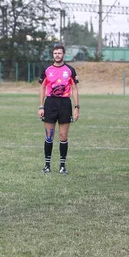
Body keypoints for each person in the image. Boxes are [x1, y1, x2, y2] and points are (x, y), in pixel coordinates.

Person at [38, 44, 79, 175]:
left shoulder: (70, 70)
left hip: (65, 104)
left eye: (59, 53)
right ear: (52, 55)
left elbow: (74, 89)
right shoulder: (47, 70)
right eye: (55, 53)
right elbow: (43, 88)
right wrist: (41, 106)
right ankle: (47, 165)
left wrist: (77, 107)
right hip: (50, 103)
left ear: (64, 54)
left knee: (63, 136)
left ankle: (62, 166)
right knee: (49, 136)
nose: (57, 55)